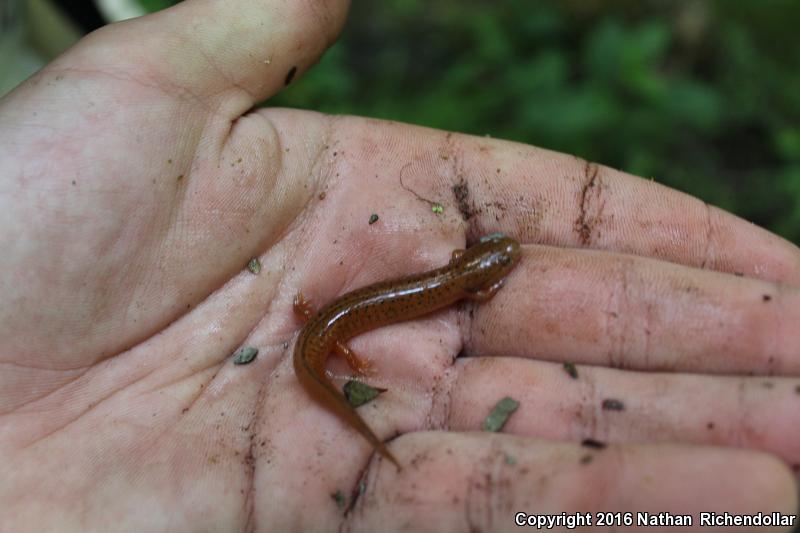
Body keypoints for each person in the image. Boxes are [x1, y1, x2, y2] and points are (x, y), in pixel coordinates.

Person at [0, 1, 797, 530]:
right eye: (498, 259)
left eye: (497, 262)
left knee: (345, 331)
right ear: (481, 273)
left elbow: (453, 276)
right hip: (327, 337)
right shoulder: (463, 284)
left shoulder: (459, 276)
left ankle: (335, 373)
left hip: (331, 331)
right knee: (341, 339)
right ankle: (338, 386)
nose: (502, 261)